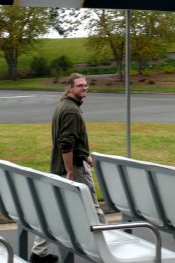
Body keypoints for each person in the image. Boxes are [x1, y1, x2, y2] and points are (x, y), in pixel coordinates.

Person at [30, 73, 105, 263]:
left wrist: (86, 156)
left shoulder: (63, 106)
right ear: (70, 88)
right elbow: (65, 143)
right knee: (94, 209)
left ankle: (39, 252)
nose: (84, 88)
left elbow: (71, 141)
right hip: (72, 170)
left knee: (54, 209)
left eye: (86, 85)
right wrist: (70, 171)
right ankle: (107, 251)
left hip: (59, 166)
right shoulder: (71, 111)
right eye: (80, 85)